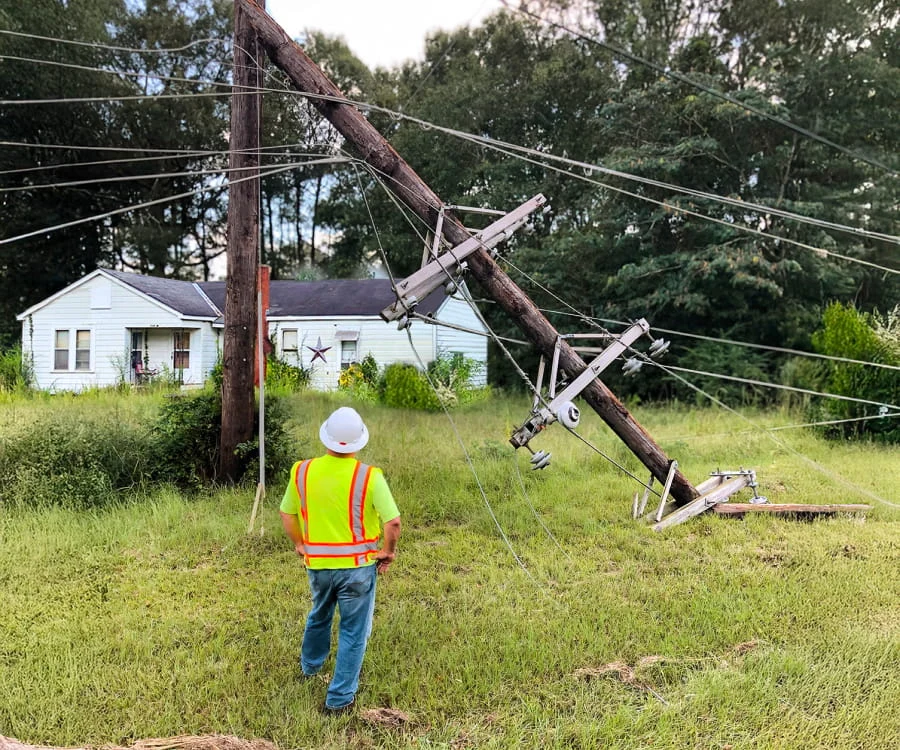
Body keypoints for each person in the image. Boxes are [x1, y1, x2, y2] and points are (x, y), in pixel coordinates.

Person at [280, 406, 401, 714]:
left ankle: (310, 667)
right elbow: (393, 523)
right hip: (358, 569)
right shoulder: (370, 476)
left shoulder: (302, 471)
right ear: (360, 441)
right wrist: (388, 551)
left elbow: (287, 512)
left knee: (319, 614)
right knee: (353, 631)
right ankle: (339, 699)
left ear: (327, 438)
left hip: (318, 566)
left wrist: (300, 544)